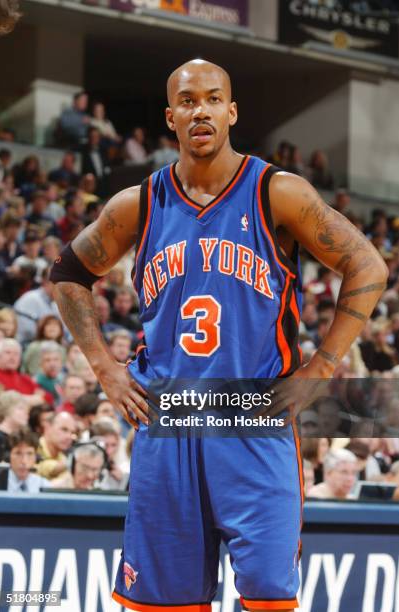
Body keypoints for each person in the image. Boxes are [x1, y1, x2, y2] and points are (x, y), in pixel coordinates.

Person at [51, 59, 387, 612]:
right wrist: (107, 371)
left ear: (231, 112)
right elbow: (67, 275)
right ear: (171, 117)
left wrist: (321, 368)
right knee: (164, 604)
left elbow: (367, 265)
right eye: (187, 101)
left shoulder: (277, 192)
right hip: (169, 423)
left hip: (252, 421)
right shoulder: (140, 203)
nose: (199, 109)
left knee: (268, 600)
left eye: (211, 99)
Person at [0, 428, 51, 492]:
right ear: (8, 457)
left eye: (29, 454)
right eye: (18, 453)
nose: (24, 461)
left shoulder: (43, 484)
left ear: (36, 457)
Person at [36, 411, 76, 480]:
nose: (69, 436)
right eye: (64, 429)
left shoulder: (64, 458)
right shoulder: (32, 448)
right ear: (47, 427)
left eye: (72, 432)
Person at [0, 390, 29, 461]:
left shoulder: (22, 436)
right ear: (6, 409)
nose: (26, 413)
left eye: (27, 409)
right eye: (20, 408)